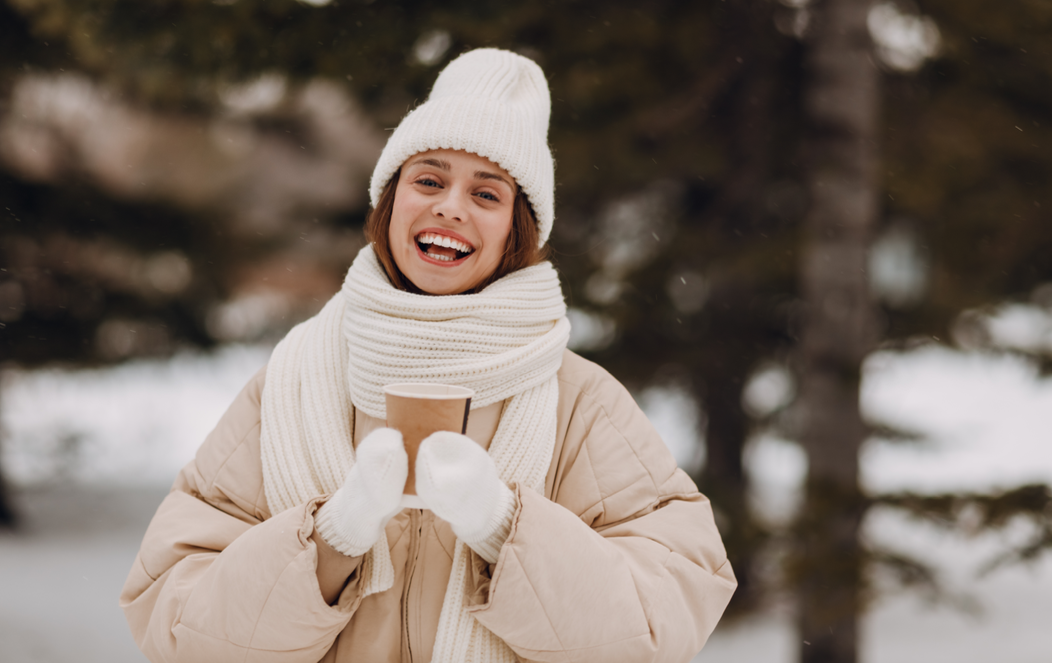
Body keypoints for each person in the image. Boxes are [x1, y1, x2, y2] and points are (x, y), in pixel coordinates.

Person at [120, 48, 737, 663]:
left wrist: (503, 527)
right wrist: (333, 538)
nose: (450, 207)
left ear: (516, 233)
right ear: (390, 204)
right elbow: (179, 628)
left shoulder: (577, 401)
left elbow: (658, 624)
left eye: (487, 194)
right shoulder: (292, 384)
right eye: (429, 180)